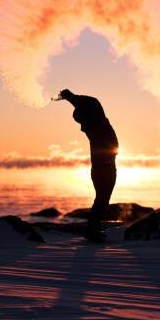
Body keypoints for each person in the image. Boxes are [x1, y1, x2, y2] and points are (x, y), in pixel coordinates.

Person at [58, 89, 118, 242]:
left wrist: (70, 97)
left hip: (104, 168)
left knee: (102, 200)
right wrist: (71, 97)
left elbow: (89, 103)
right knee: (102, 200)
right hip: (104, 169)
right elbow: (92, 103)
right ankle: (91, 231)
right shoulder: (96, 122)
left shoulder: (93, 122)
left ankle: (92, 229)